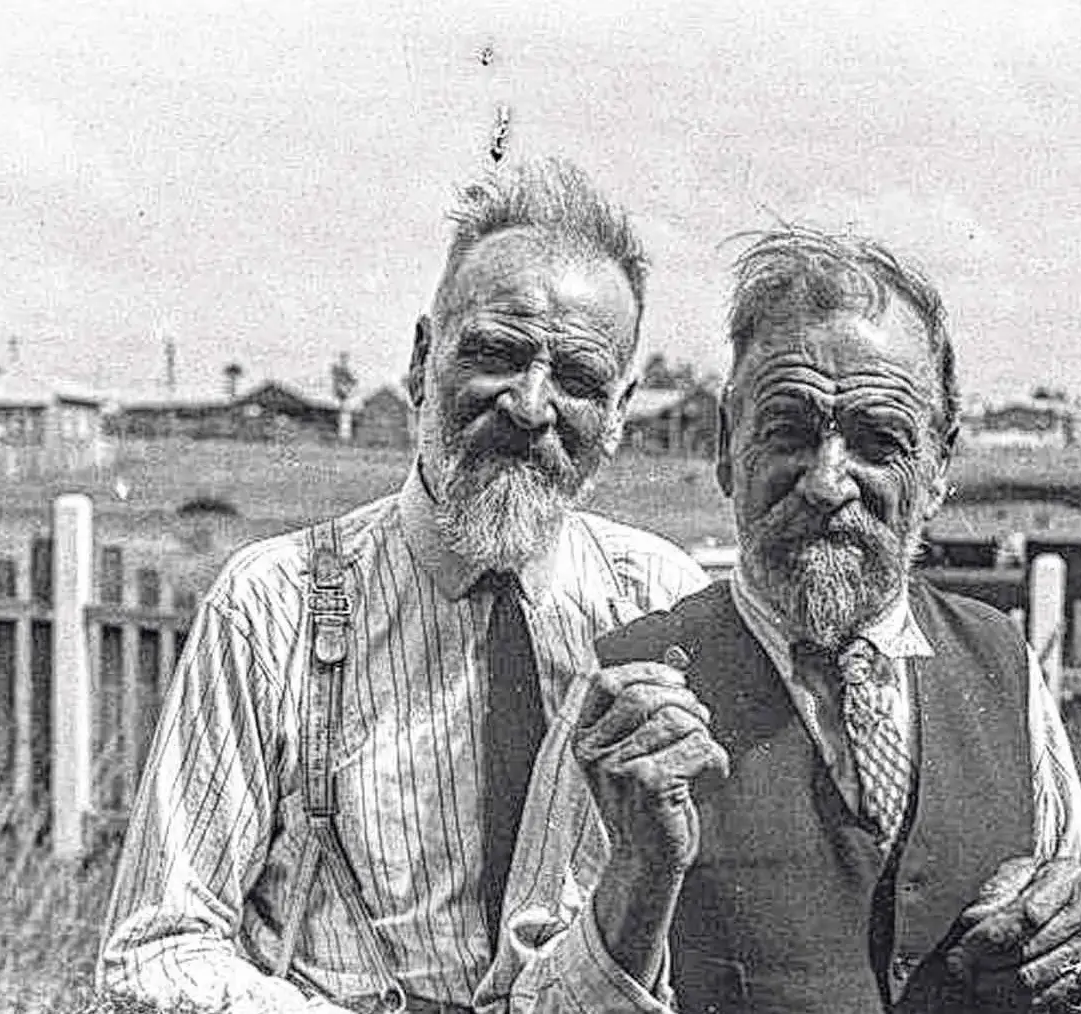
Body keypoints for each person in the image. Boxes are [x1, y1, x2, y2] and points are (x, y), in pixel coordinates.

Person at [478, 226, 1081, 1013]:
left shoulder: (999, 666)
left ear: (939, 468)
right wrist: (640, 879)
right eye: (789, 432)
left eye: (879, 441)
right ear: (726, 446)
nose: (827, 481)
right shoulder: (625, 703)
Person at [98, 157, 710, 1014]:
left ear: (617, 412)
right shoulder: (273, 606)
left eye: (577, 379)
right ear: (423, 362)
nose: (531, 406)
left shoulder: (661, 604)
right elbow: (155, 954)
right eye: (496, 354)